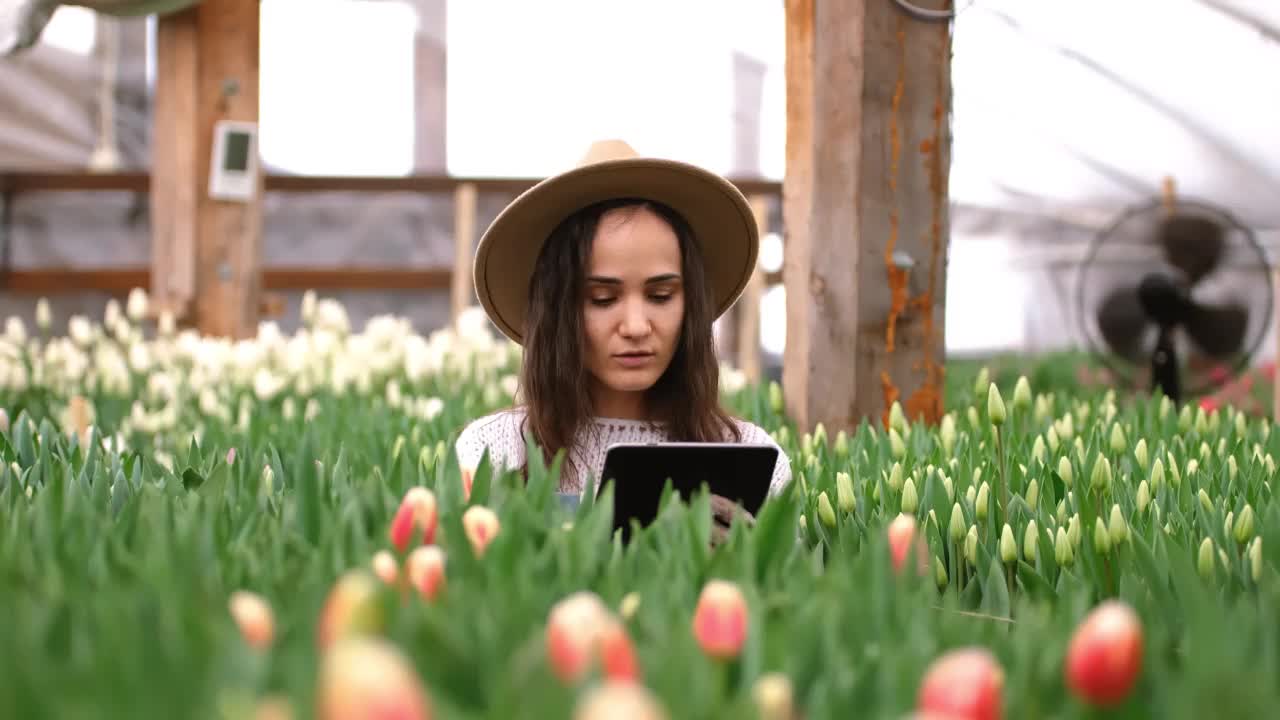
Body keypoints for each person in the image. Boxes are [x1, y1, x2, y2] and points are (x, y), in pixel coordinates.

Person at [454, 139, 792, 538]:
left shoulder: (751, 456)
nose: (635, 326)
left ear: (691, 303)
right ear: (559, 309)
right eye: (603, 298)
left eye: (660, 296)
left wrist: (747, 555)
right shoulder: (496, 450)